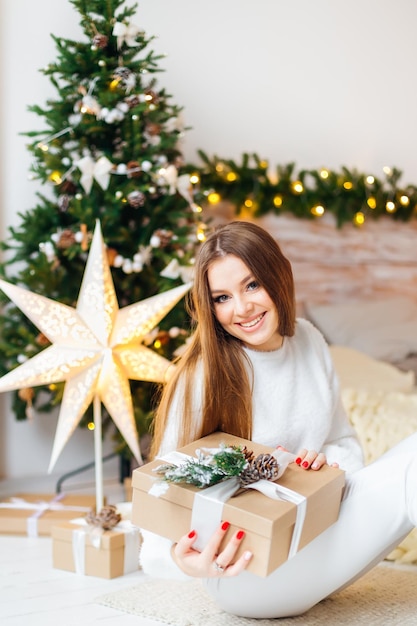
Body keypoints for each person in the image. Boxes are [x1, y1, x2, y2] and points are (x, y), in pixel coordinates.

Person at [139, 220, 417, 618]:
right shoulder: (203, 374)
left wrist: (327, 465)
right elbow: (159, 494)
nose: (242, 309)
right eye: (222, 297)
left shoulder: (309, 341)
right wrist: (180, 560)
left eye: (251, 285)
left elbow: (343, 441)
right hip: (246, 575)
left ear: (277, 276)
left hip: (317, 533)